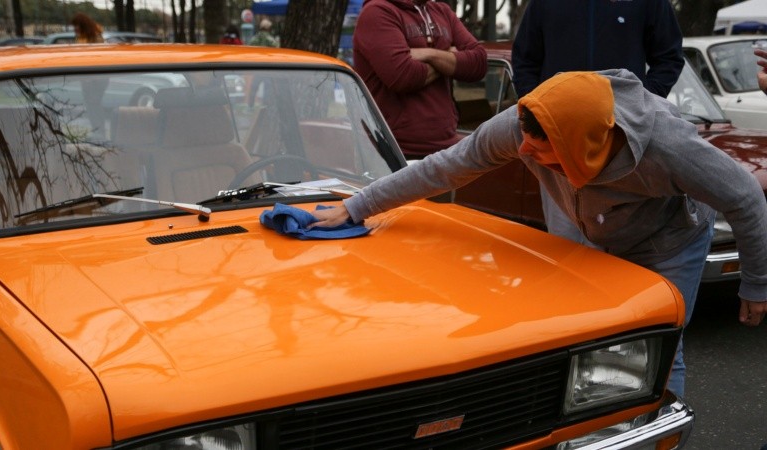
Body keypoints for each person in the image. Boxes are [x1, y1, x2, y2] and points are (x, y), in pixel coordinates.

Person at [310, 69, 767, 398]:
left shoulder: (670, 147)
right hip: (588, 226)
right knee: (584, 336)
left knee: (658, 343)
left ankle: (655, 427)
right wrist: (358, 206)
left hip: (668, 240)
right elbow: (444, 167)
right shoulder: (521, 126)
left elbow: (745, 198)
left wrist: (755, 283)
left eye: (540, 150)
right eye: (523, 143)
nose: (524, 153)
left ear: (581, 147)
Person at [512, 0, 685, 248]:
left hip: (620, 139)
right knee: (563, 243)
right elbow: (525, 60)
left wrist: (639, 103)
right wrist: (538, 111)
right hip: (556, 141)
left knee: (613, 246)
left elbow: (669, 57)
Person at [353, 0, 487, 159]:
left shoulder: (442, 11)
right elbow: (403, 75)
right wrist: (451, 57)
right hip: (394, 152)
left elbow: (479, 63)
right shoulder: (377, 12)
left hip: (447, 148)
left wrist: (429, 54)